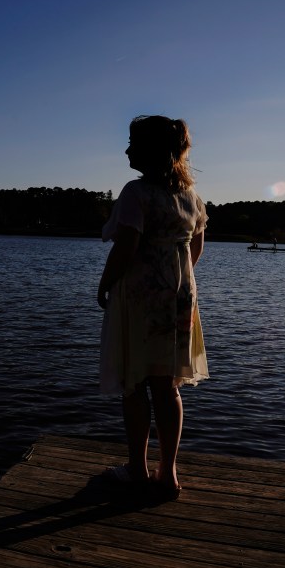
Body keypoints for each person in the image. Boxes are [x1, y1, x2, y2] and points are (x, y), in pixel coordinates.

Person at [97, 115, 209, 500]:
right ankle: (169, 474)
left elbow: (126, 246)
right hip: (178, 296)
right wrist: (175, 280)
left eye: (133, 143)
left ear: (153, 151)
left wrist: (105, 283)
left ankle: (138, 470)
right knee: (167, 385)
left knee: (134, 383)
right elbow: (196, 249)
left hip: (140, 297)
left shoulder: (136, 192)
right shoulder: (191, 197)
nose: (127, 149)